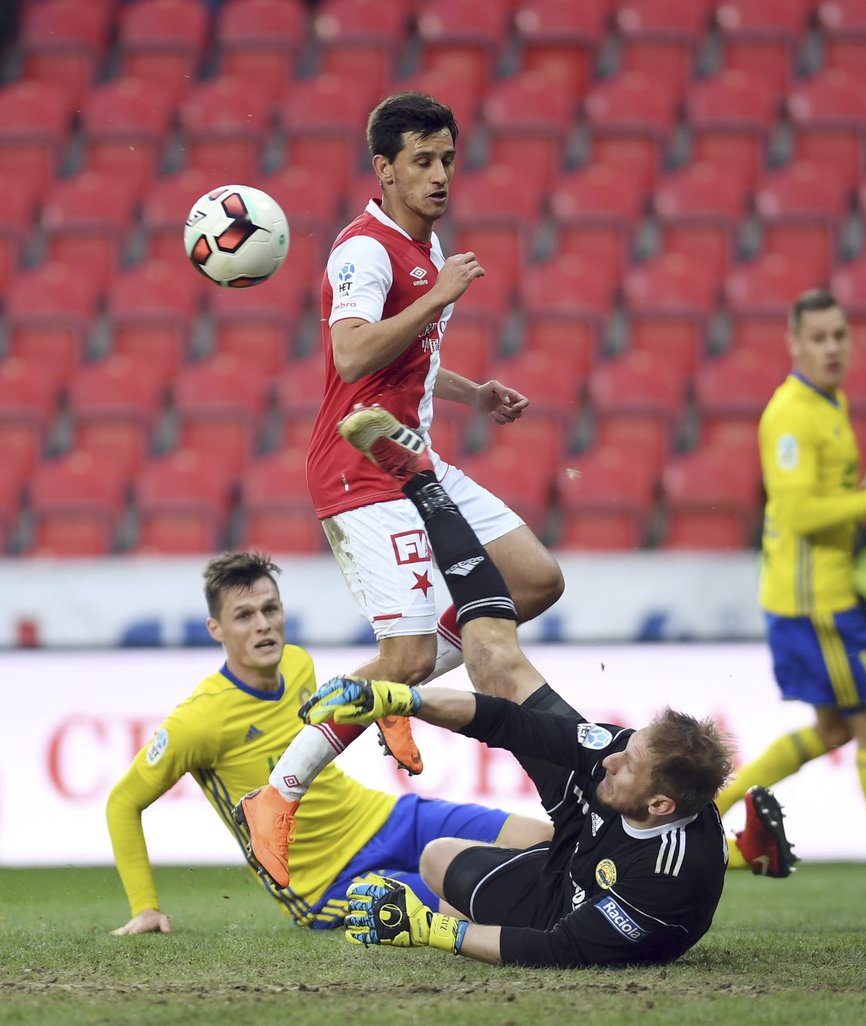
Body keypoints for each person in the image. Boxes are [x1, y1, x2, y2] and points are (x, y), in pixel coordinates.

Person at [292, 404, 797, 968]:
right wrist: (400, 697)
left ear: (659, 802)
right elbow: (509, 722)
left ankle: (742, 852)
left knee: (438, 862)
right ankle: (424, 483)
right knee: (496, 666)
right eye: (623, 749)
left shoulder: (664, 888)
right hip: (587, 830)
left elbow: (560, 948)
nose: (609, 759)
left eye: (626, 765)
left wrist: (430, 930)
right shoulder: (620, 762)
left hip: (566, 903)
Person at [296, 89, 563, 777]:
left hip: (414, 457)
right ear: (384, 168)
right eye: (422, 161)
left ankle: (394, 690)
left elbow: (404, 358)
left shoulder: (424, 241)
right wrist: (442, 294)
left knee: (533, 581)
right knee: (407, 658)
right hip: (362, 466)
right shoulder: (364, 252)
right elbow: (353, 355)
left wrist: (471, 392)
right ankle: (281, 786)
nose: (440, 174)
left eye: (447, 158)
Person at [106, 551, 554, 933]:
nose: (263, 625)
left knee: (542, 838)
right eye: (244, 616)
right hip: (330, 883)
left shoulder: (298, 663)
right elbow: (123, 803)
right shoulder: (200, 721)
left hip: (387, 817)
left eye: (270, 609)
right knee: (494, 902)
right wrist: (145, 906)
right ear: (215, 629)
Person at [713, 290, 866, 877]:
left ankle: (718, 806)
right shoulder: (791, 414)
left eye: (840, 335)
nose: (832, 347)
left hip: (825, 598)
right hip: (816, 604)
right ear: (794, 343)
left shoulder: (830, 403)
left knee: (834, 728)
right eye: (819, 337)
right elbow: (803, 512)